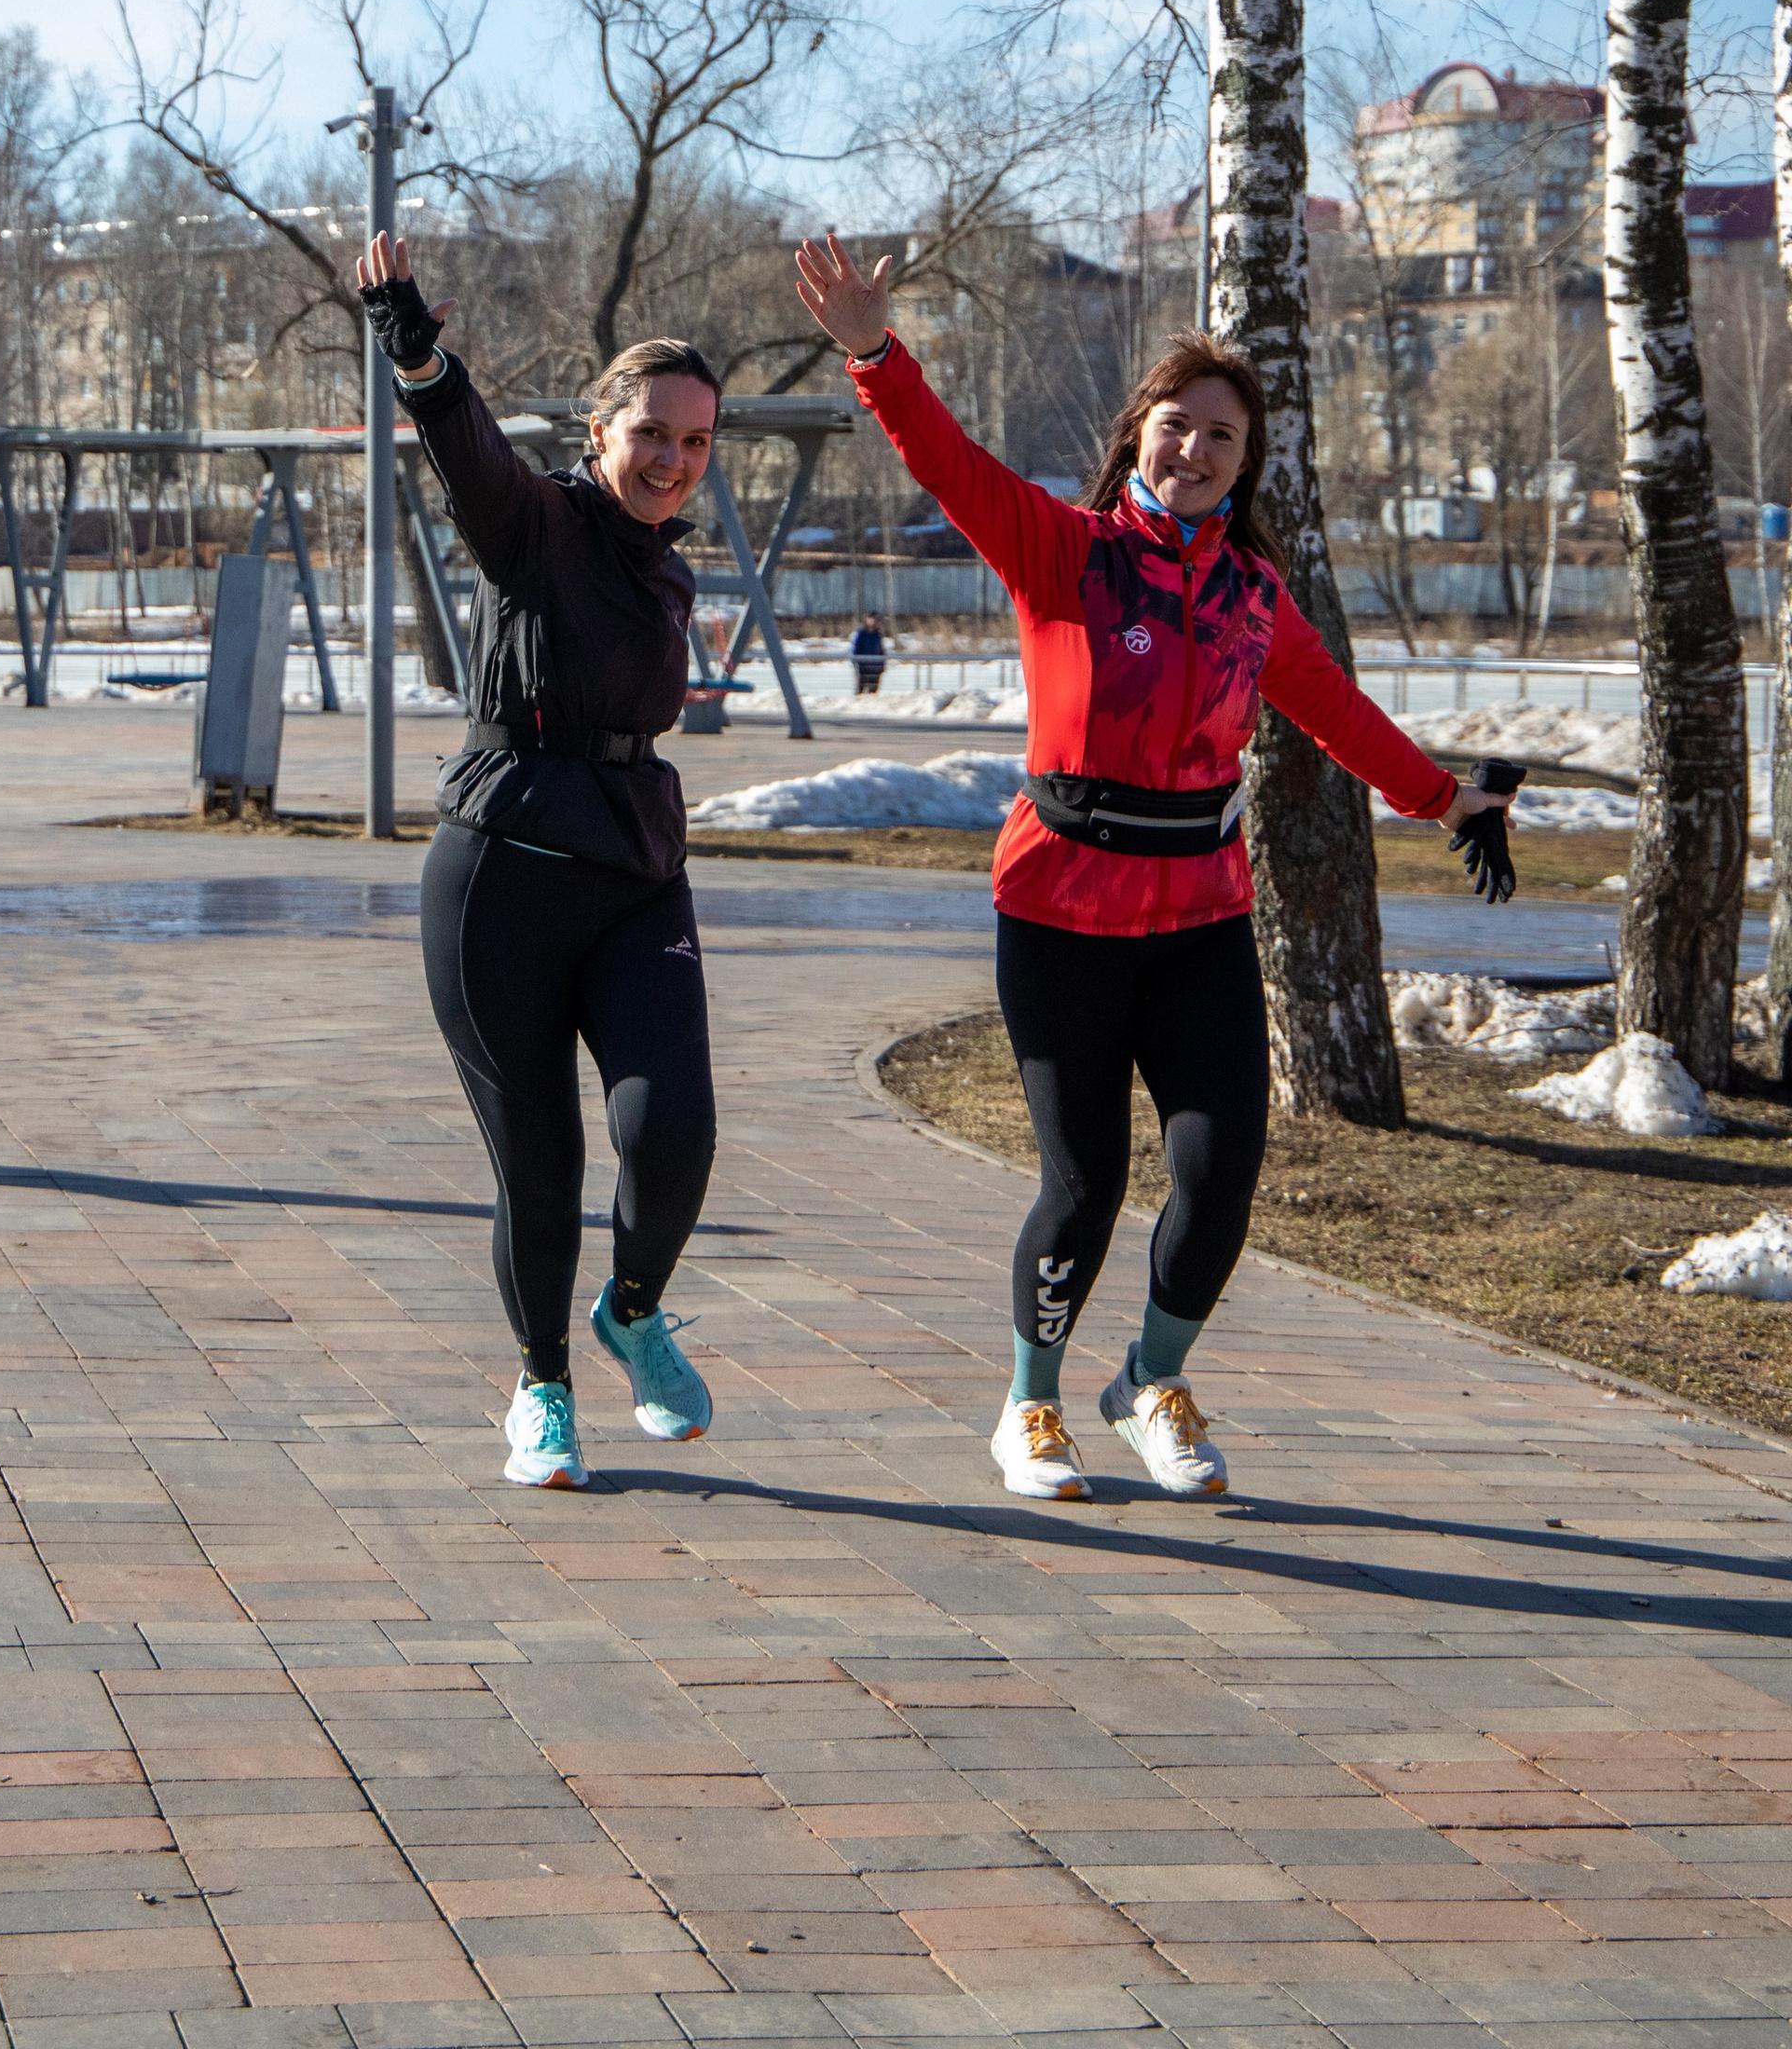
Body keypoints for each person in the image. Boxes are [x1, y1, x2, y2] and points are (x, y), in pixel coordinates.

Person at [793, 232, 1512, 1502]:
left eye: (1223, 437)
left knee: (1221, 1167)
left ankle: (1151, 1381)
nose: (1197, 450)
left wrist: (1446, 798)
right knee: (1085, 1182)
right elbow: (948, 467)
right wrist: (874, 356)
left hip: (1198, 918)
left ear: (1247, 463)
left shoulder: (1250, 594)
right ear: (1140, 437)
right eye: (1178, 426)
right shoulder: (1065, 552)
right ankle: (1031, 1405)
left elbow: (1333, 709)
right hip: (1062, 909)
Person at [357, 231, 718, 1490]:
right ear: (601, 430)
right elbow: (469, 458)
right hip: (500, 875)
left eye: (695, 443)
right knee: (544, 1167)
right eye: (652, 434)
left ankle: (634, 1307)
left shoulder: (667, 574)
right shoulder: (540, 529)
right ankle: (544, 1383)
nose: (672, 461)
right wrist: (420, 353)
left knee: (671, 1133)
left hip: (634, 867)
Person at [850, 612, 887, 696]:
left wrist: (882, 665)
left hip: (875, 669)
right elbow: (854, 650)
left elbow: (881, 651)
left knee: (873, 694)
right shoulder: (860, 634)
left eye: (875, 619)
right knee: (859, 693)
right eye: (871, 619)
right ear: (866, 620)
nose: (873, 621)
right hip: (863, 668)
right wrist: (856, 664)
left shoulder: (878, 634)